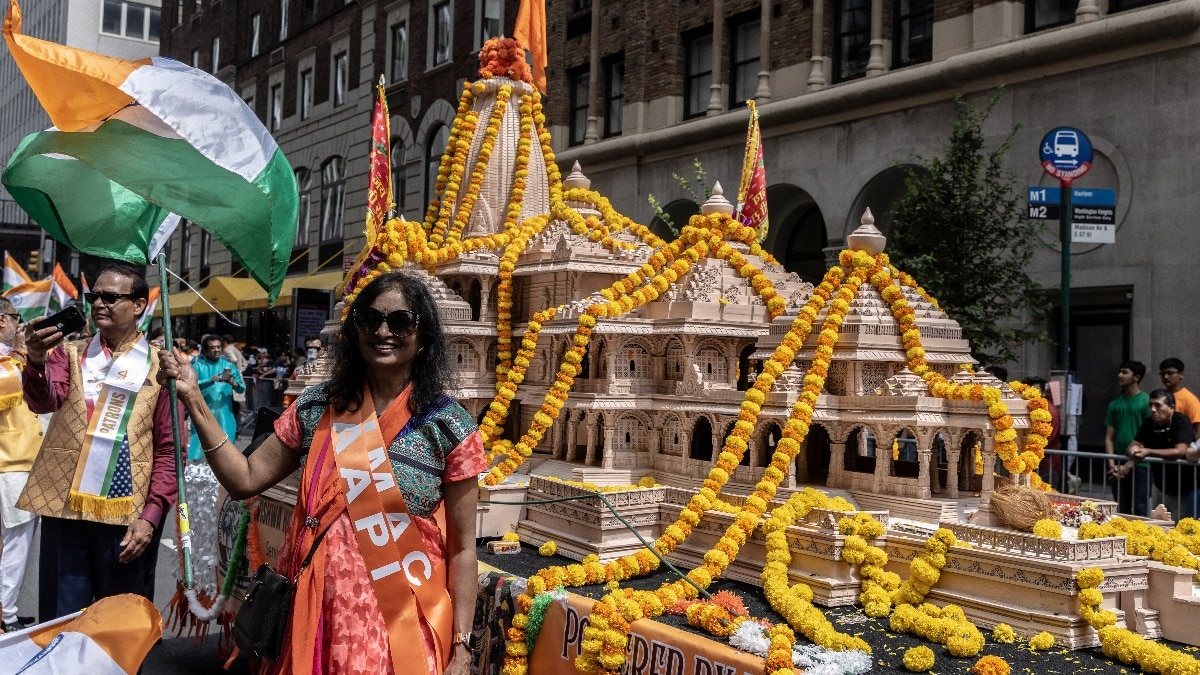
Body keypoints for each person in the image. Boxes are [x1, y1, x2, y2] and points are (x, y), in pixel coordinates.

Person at [158, 270, 484, 674]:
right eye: (370, 319)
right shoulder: (317, 408)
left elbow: (463, 549)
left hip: (402, 623)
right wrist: (193, 399)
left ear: (424, 337)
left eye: (401, 321)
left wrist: (462, 646)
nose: (384, 331)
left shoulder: (448, 426)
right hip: (315, 614)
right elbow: (244, 479)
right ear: (355, 330)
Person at [18, 262, 178, 621]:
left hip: (126, 513)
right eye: (94, 297)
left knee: (119, 626)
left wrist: (151, 517)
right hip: (66, 508)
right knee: (62, 623)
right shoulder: (68, 353)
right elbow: (44, 401)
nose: (99, 304)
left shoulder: (162, 365)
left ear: (138, 305)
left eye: (110, 297)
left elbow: (169, 449)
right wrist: (35, 359)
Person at [0, 299, 43, 631]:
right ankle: (6, 615)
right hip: (10, 464)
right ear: (3, 320)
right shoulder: (6, 362)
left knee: (14, 543)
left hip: (16, 464)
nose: (20, 324)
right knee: (15, 545)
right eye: (17, 318)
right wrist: (20, 352)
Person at [1128, 389, 1196, 516]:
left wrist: (1147, 451)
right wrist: (1133, 450)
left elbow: (1179, 451)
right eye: (1151, 405)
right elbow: (1133, 445)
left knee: (1180, 527)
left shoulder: (1181, 421)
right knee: (1157, 523)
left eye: (1158, 405)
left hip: (1184, 488)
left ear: (1171, 407)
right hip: (1159, 485)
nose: (1153, 410)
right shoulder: (1149, 422)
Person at [187, 335, 245, 461]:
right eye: (212, 348)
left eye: (219, 347)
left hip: (225, 415)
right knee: (198, 452)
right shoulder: (197, 366)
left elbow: (241, 388)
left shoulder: (229, 367)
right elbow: (191, 385)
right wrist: (209, 380)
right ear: (206, 350)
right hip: (202, 415)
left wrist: (233, 383)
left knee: (227, 452)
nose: (217, 350)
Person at [1104, 360, 1150, 516]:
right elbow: (1109, 437)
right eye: (1119, 371)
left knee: (1140, 507)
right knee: (1120, 507)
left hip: (1141, 463)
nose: (1119, 375)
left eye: (1124, 372)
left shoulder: (1147, 402)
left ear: (1136, 377)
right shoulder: (1115, 404)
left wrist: (1129, 465)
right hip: (1117, 462)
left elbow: (1148, 436)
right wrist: (1112, 465)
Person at [1158, 358, 1200, 437]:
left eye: (1170, 373)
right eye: (1162, 373)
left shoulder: (1189, 399)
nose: (1166, 376)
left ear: (1181, 375)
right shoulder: (1160, 397)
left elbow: (1198, 429)